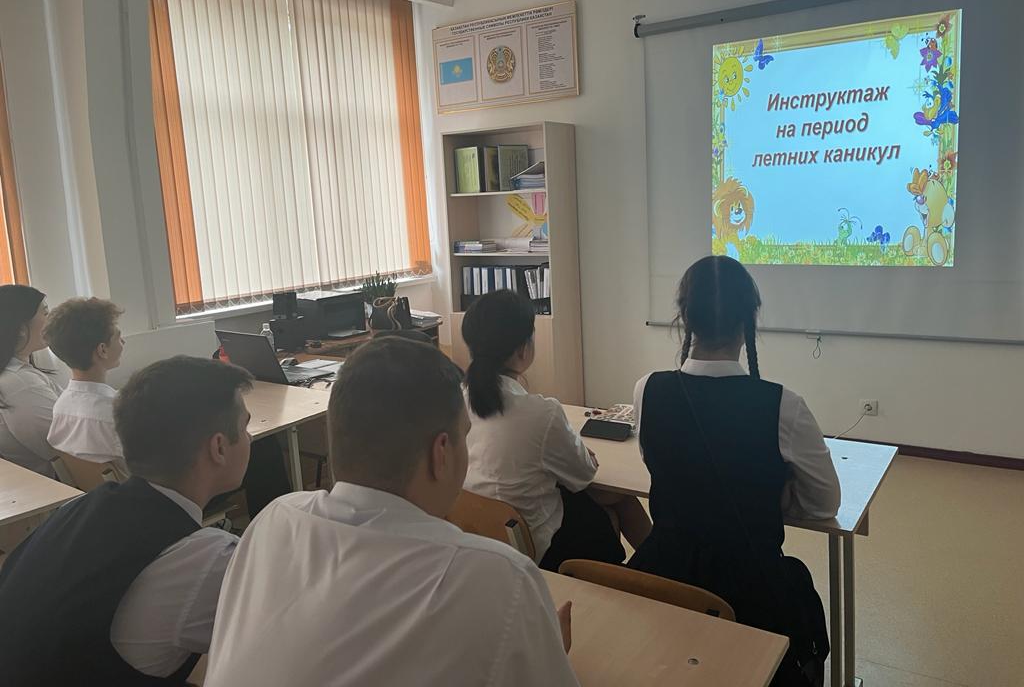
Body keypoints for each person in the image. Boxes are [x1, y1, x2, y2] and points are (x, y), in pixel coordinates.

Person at [204, 337, 579, 687]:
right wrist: (541, 649)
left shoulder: (272, 521)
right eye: (464, 437)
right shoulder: (498, 579)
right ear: (442, 453)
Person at [627, 256, 840, 687]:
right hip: (750, 594)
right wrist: (773, 495)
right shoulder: (784, 405)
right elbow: (824, 504)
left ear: (685, 318)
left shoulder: (647, 390)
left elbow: (661, 467)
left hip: (664, 581)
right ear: (748, 322)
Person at [0, 356, 253, 685]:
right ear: (218, 447)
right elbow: (282, 640)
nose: (249, 438)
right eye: (244, 427)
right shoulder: (205, 559)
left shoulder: (77, 509)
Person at [460, 290, 650, 571]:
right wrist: (583, 454)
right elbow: (584, 473)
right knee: (615, 501)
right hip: (531, 544)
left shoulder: (454, 401)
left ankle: (652, 571)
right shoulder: (542, 413)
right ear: (523, 349)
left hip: (477, 534)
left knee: (607, 497)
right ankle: (655, 575)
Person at [44, 296, 128, 476]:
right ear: (102, 350)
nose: (123, 342)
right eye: (119, 337)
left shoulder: (61, 407)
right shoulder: (118, 413)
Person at [0, 285, 60, 476]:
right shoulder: (20, 384)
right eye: (45, 313)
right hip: (56, 485)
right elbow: (65, 444)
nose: (51, 321)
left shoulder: (18, 374)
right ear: (20, 329)